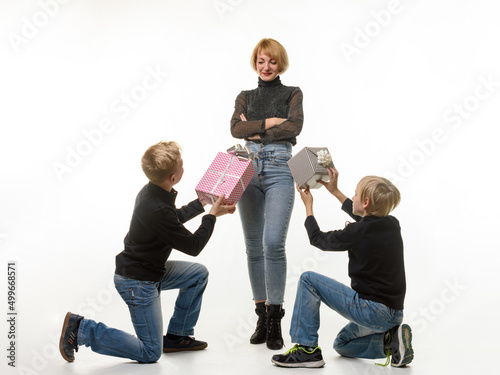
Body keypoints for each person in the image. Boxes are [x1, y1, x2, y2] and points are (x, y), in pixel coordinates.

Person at [59, 141, 236, 363]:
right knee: (150, 352)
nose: (184, 167)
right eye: (182, 165)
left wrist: (202, 203)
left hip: (151, 270)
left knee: (197, 275)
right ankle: (82, 329)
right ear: (173, 178)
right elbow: (193, 246)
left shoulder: (153, 192)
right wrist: (211, 216)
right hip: (138, 282)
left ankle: (178, 335)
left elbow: (173, 219)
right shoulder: (157, 208)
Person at [272, 167, 414, 368]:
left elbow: (318, 239)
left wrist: (308, 207)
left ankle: (306, 350)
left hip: (372, 311)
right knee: (341, 345)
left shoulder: (357, 232)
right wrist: (334, 191)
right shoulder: (392, 224)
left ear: (365, 203)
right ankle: (390, 343)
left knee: (308, 279)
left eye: (355, 194)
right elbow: (365, 220)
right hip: (393, 314)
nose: (352, 197)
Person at [230, 38, 304, 350]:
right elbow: (235, 130)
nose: (266, 67)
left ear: (280, 63)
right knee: (253, 246)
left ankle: (276, 317)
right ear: (255, 63)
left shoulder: (293, 93)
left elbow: (295, 127)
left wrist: (257, 129)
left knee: (273, 243)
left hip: (279, 168)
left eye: (272, 61)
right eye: (261, 61)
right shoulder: (244, 96)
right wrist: (274, 122)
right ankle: (261, 313)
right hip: (246, 167)